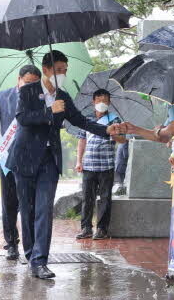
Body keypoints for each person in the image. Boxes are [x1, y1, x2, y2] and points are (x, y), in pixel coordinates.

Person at [5, 50, 124, 279]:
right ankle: (30, 255)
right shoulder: (28, 91)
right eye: (59, 70)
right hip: (25, 159)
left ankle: (40, 261)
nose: (63, 74)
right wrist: (49, 111)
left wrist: (106, 130)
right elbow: (22, 118)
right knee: (28, 210)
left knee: (43, 209)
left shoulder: (64, 96)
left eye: (65, 71)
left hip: (50, 161)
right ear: (46, 69)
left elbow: (80, 121)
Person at [0, 64, 42, 261]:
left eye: (35, 83)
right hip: (6, 159)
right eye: (27, 83)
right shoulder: (3, 97)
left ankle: (31, 246)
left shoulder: (41, 99)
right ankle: (11, 243)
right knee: (9, 205)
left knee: (29, 205)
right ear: (18, 79)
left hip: (30, 160)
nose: (30, 87)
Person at [75, 89, 126, 240]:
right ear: (93, 102)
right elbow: (81, 140)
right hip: (89, 165)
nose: (101, 104)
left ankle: (102, 229)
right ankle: (86, 228)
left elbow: (123, 140)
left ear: (109, 103)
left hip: (106, 165)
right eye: (99, 101)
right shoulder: (87, 119)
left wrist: (115, 134)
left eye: (105, 101)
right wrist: (79, 160)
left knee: (105, 197)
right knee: (87, 198)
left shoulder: (115, 119)